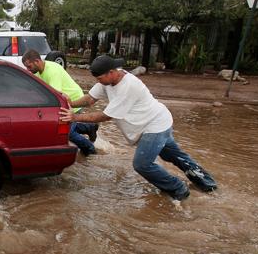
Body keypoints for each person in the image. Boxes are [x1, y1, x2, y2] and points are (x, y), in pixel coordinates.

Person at [60, 55, 217, 201]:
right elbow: (90, 99)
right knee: (174, 156)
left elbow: (106, 116)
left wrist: (75, 117)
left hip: (155, 125)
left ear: (112, 72)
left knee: (142, 164)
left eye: (100, 78)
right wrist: (71, 104)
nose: (99, 82)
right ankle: (207, 184)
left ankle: (178, 189)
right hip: (152, 124)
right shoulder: (107, 82)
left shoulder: (128, 85)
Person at [22, 49, 98, 156]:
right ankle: (90, 127)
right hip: (64, 102)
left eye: (29, 66)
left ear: (37, 61)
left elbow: (55, 96)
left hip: (74, 101)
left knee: (68, 133)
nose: (28, 69)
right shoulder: (38, 72)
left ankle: (90, 150)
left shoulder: (52, 71)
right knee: (67, 126)